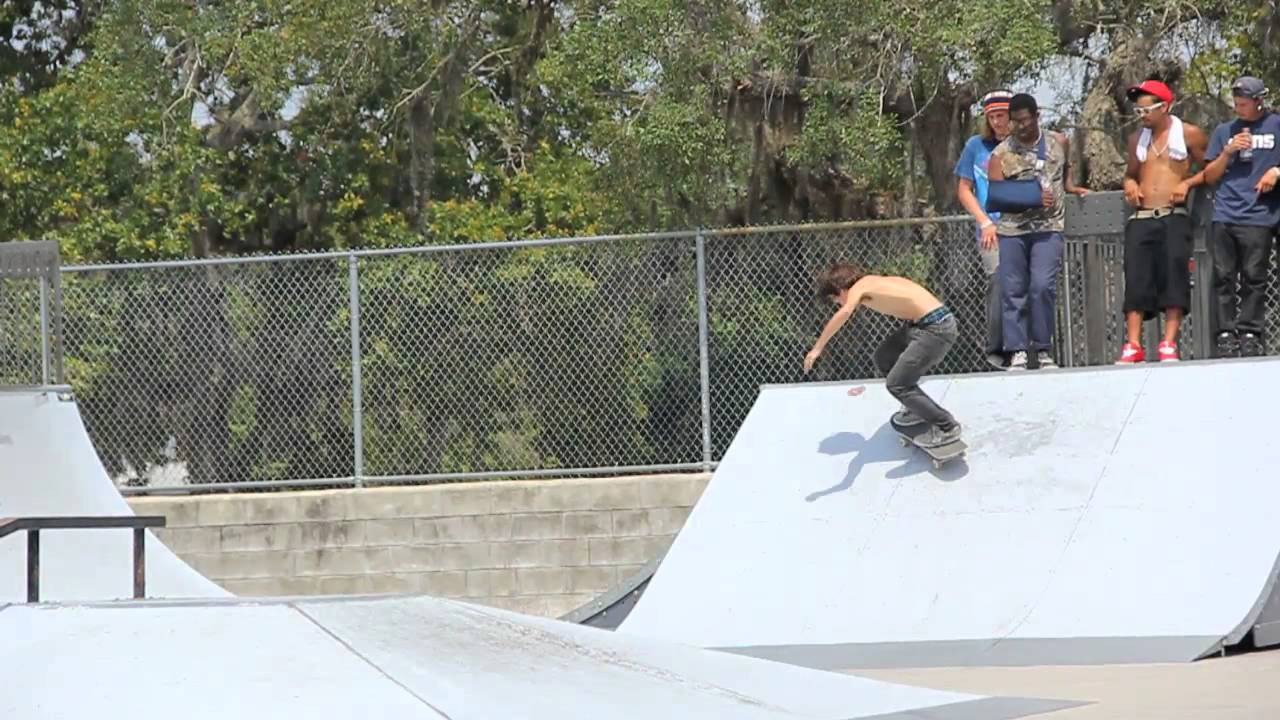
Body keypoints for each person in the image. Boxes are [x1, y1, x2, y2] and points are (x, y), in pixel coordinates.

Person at [804, 263, 961, 448]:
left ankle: (947, 427)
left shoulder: (858, 287)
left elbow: (845, 312)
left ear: (840, 289)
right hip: (922, 325)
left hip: (936, 329)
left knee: (897, 384)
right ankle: (916, 409)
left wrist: (817, 348)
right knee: (884, 357)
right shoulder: (872, 281)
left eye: (835, 299)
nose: (838, 303)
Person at [987, 93, 1090, 370]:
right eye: (1015, 122)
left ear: (1036, 117)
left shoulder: (1059, 142)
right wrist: (1029, 198)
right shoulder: (1001, 154)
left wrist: (1070, 187)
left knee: (1042, 286)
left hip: (1048, 227)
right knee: (1013, 290)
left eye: (1025, 120)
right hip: (1013, 230)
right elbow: (996, 196)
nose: (1020, 126)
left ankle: (1043, 348)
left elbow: (1063, 170)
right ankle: (1017, 349)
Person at [1116, 79, 1209, 363]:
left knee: (1174, 276)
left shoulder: (1190, 134)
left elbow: (1211, 168)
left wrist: (1189, 183)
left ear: (1164, 107)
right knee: (1136, 278)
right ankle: (1133, 343)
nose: (1141, 115)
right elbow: (1131, 172)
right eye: (1138, 110)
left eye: (1146, 109)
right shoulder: (1136, 140)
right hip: (1142, 215)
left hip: (1174, 214)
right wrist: (1129, 184)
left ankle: (1169, 342)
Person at [1200, 76, 1280, 358]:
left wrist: (1276, 171)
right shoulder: (1225, 131)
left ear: (1259, 101)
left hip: (1259, 214)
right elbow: (1209, 176)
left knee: (1254, 278)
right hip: (1225, 213)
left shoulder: (1276, 126)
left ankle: (1250, 333)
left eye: (1244, 104)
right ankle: (1225, 333)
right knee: (1222, 276)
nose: (1238, 109)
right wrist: (1228, 151)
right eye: (1236, 103)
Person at [954, 90, 1014, 369]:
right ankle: (1000, 348)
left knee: (1029, 284)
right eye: (992, 117)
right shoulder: (976, 146)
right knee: (1000, 280)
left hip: (1023, 224)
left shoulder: (1024, 144)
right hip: (991, 227)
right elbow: (964, 189)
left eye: (1002, 116)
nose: (998, 122)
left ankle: (1031, 347)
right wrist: (983, 220)